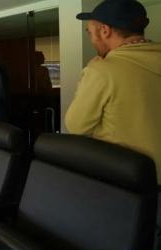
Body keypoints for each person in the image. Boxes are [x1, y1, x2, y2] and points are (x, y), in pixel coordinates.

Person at [66, 0, 161, 173]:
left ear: (104, 31)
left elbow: (75, 126)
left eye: (90, 33)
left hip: (128, 182)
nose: (92, 40)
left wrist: (86, 77)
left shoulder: (101, 70)